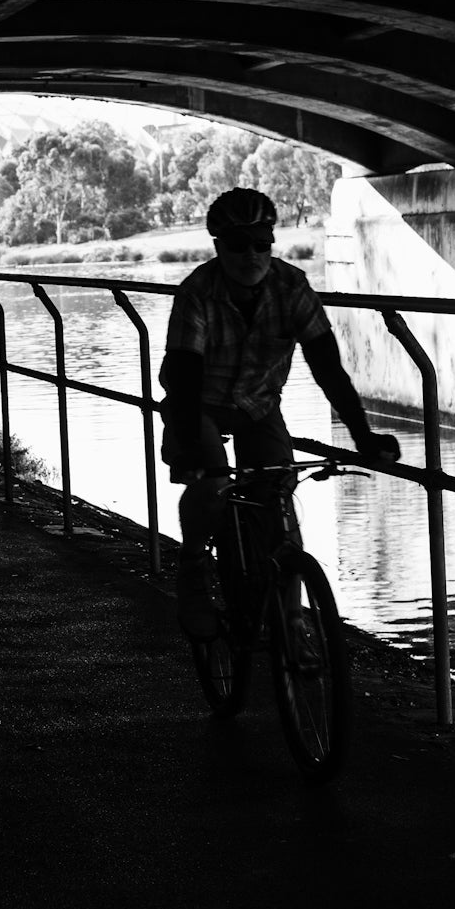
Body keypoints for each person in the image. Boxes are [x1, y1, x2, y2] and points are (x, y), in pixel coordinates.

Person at [159, 187, 400, 638]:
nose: (251, 255)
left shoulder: (291, 287)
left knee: (279, 506)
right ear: (218, 247)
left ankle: (292, 624)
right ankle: (192, 564)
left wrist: (363, 437)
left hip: (258, 406)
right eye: (237, 245)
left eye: (261, 243)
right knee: (211, 486)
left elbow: (329, 370)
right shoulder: (199, 291)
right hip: (199, 404)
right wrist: (193, 448)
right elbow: (186, 374)